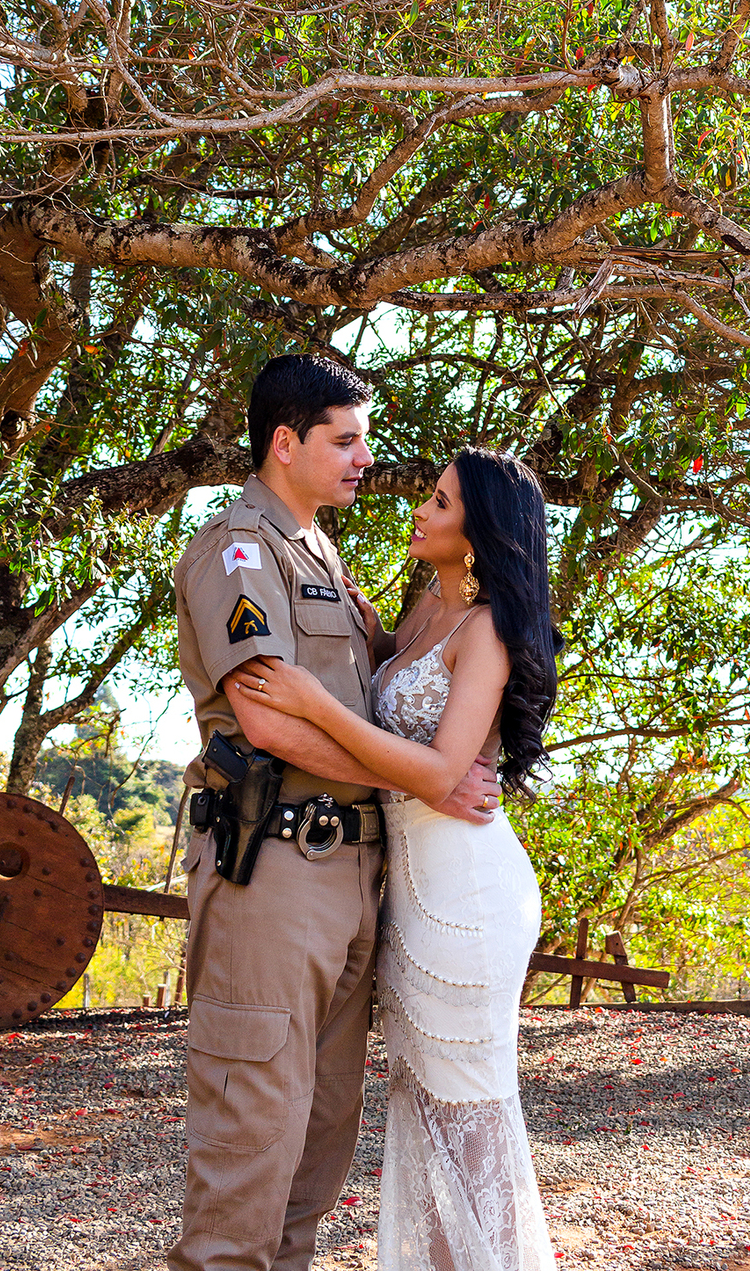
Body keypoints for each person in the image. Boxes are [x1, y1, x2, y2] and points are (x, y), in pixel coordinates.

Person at [169, 356, 501, 1271]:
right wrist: (422, 780)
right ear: (286, 443)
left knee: (316, 1146)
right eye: (344, 440)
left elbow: (368, 688)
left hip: (354, 873)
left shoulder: (318, 549)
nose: (364, 458)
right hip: (273, 868)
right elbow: (269, 718)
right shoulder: (240, 551)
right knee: (250, 1145)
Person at [229, 445, 560, 1271]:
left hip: (468, 895)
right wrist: (364, 624)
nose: (420, 510)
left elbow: (445, 771)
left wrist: (311, 704)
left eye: (440, 504)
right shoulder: (423, 610)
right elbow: (394, 696)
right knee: (423, 1104)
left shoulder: (487, 632)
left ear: (477, 531)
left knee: (471, 1108)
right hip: (407, 892)